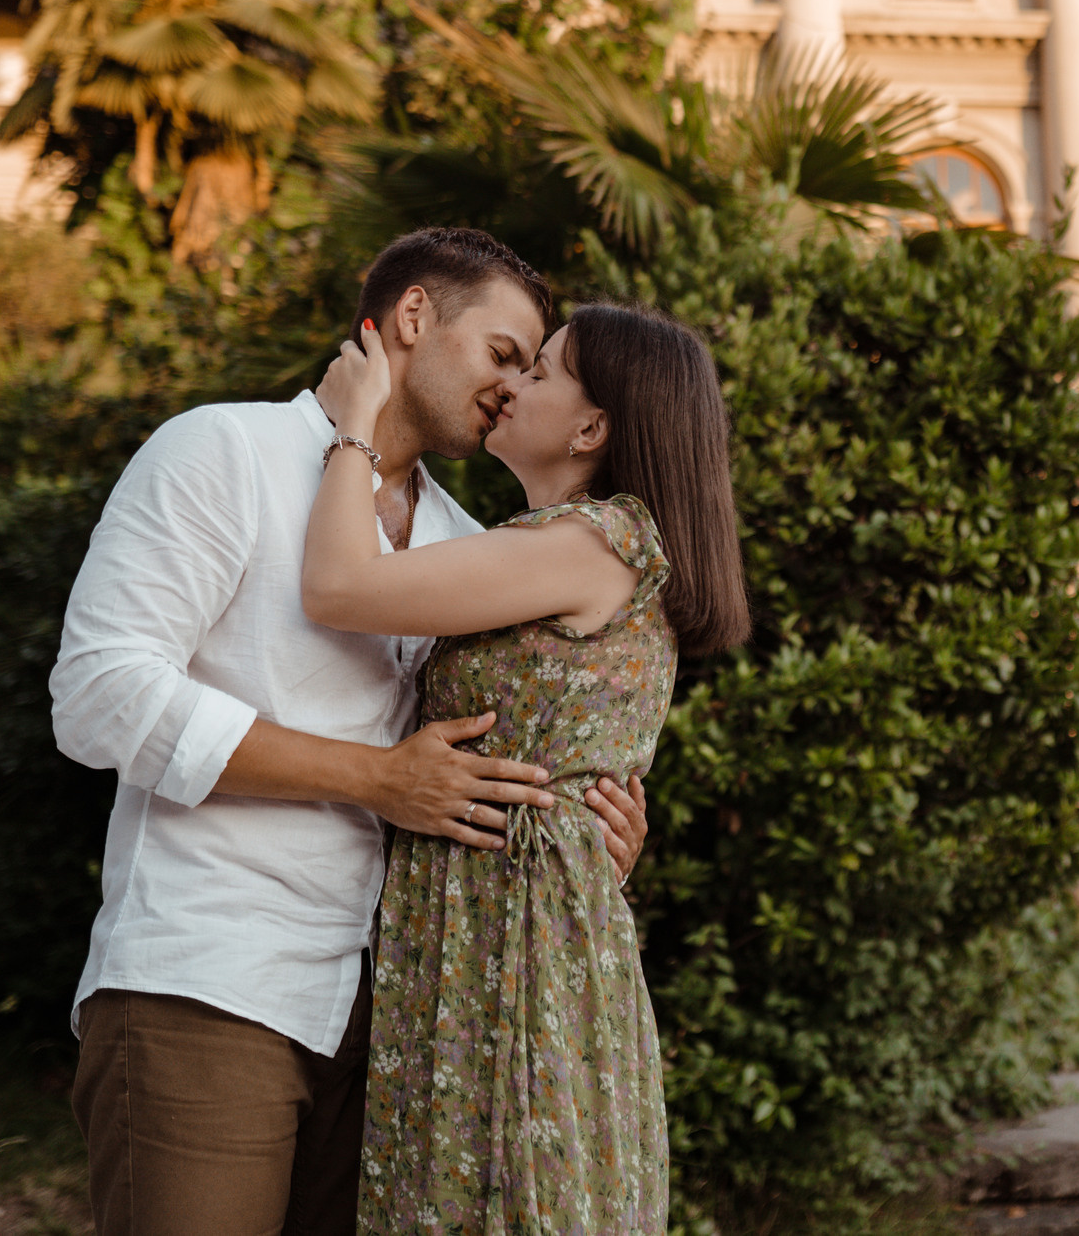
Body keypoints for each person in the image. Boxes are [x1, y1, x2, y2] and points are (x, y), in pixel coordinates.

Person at [51, 228, 652, 1236]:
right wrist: (376, 779)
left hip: (400, 1020)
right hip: (212, 982)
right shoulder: (222, 450)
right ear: (414, 318)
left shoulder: (471, 545)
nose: (511, 388)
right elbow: (101, 693)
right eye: (503, 354)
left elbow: (480, 760)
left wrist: (585, 838)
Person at [303, 298, 749, 1235]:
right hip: (499, 916)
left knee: (509, 1192)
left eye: (541, 371)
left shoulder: (592, 542)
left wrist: (354, 426)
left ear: (592, 426)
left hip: (513, 939)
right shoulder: (562, 545)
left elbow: (339, 586)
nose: (511, 384)